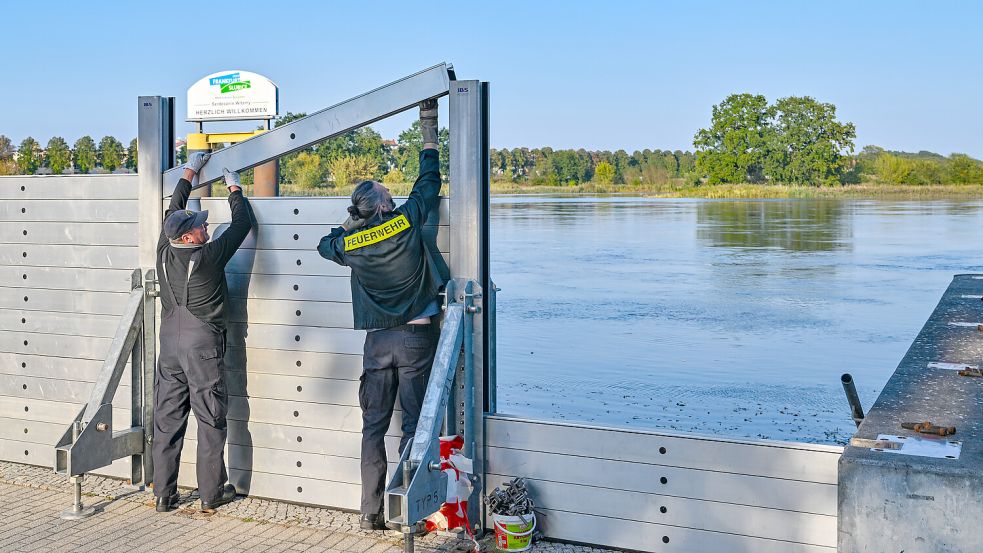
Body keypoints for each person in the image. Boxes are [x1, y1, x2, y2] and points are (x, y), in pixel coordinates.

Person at [317, 99, 444, 531]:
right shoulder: (407, 221)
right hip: (415, 338)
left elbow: (325, 245)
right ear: (387, 206)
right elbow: (429, 183)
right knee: (414, 428)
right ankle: (409, 510)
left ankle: (370, 513)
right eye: (389, 194)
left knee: (373, 429)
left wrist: (351, 224)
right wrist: (429, 132)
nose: (394, 195)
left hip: (377, 344)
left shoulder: (351, 245)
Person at [153, 153, 254, 513]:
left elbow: (173, 209)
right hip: (202, 348)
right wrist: (235, 188)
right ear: (188, 236)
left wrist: (189, 171)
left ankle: (163, 494)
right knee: (210, 418)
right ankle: (211, 493)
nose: (206, 228)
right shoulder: (209, 256)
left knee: (167, 418)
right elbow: (243, 223)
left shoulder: (163, 250)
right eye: (200, 225)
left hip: (169, 346)